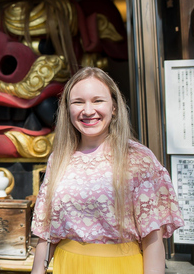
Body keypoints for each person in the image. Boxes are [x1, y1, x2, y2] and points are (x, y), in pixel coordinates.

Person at [30, 67, 184, 274]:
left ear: (114, 107)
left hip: (119, 267)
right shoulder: (59, 158)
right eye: (78, 102)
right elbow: (46, 233)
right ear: (67, 109)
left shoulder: (138, 158)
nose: (87, 110)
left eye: (97, 100)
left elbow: (152, 239)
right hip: (67, 266)